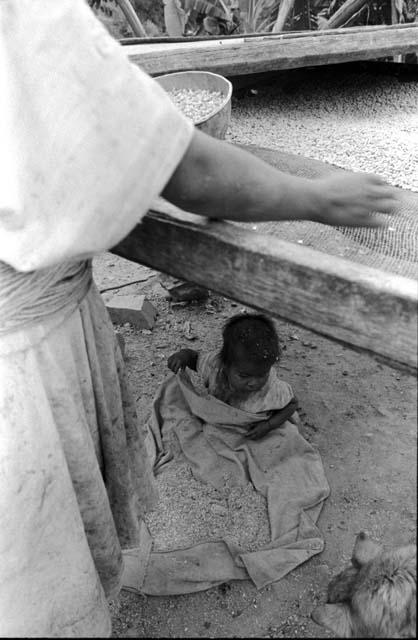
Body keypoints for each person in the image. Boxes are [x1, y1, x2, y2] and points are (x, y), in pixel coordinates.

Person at [0, 0, 398, 636]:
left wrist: (262, 420)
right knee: (41, 567)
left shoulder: (277, 388)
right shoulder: (26, 19)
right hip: (20, 364)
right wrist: (315, 196)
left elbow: (276, 406)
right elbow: (190, 170)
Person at [168, 313, 301, 440]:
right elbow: (195, 359)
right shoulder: (214, 366)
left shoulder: (271, 388)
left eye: (262, 374)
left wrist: (268, 425)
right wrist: (183, 356)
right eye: (244, 376)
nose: (253, 383)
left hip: (250, 428)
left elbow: (292, 404)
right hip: (219, 419)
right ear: (226, 364)